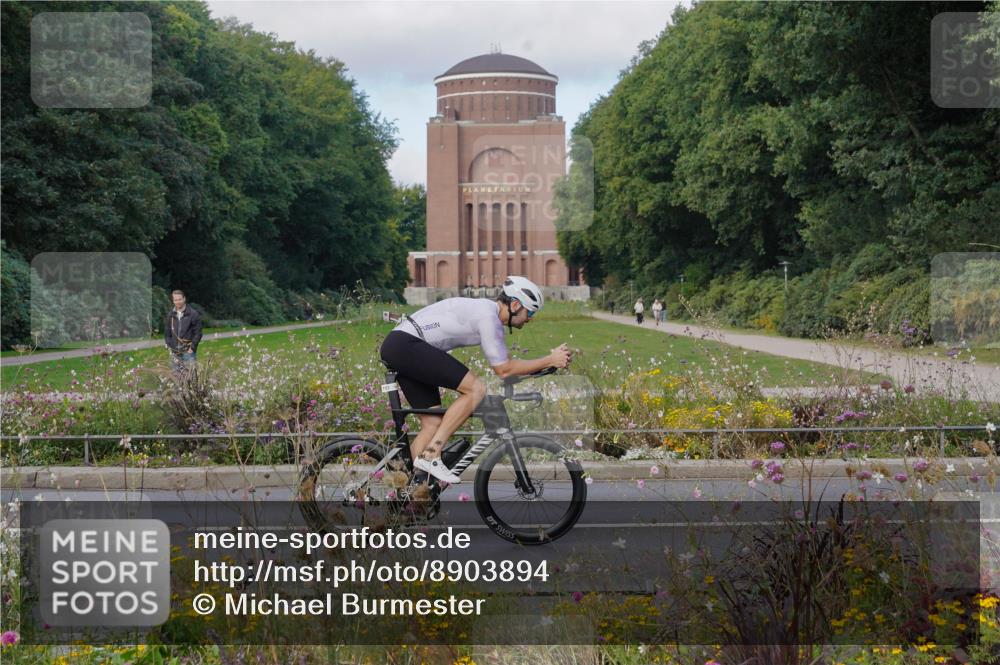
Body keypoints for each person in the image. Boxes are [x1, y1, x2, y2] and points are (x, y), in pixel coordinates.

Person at [379, 276, 572, 484]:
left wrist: (546, 364)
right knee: (475, 389)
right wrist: (549, 359)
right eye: (531, 312)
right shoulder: (488, 318)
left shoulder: (487, 313)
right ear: (515, 305)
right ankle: (432, 455)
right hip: (406, 345)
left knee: (433, 424)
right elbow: (504, 370)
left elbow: (506, 368)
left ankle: (402, 490)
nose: (530, 319)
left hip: (403, 346)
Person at [164, 290, 203, 372]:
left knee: (190, 376)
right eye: (175, 300)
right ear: (173, 301)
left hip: (188, 352)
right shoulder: (170, 315)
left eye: (180, 299)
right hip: (174, 352)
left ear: (184, 299)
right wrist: (169, 345)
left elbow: (198, 333)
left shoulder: (193, 314)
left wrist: (192, 348)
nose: (178, 302)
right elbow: (167, 332)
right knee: (175, 376)